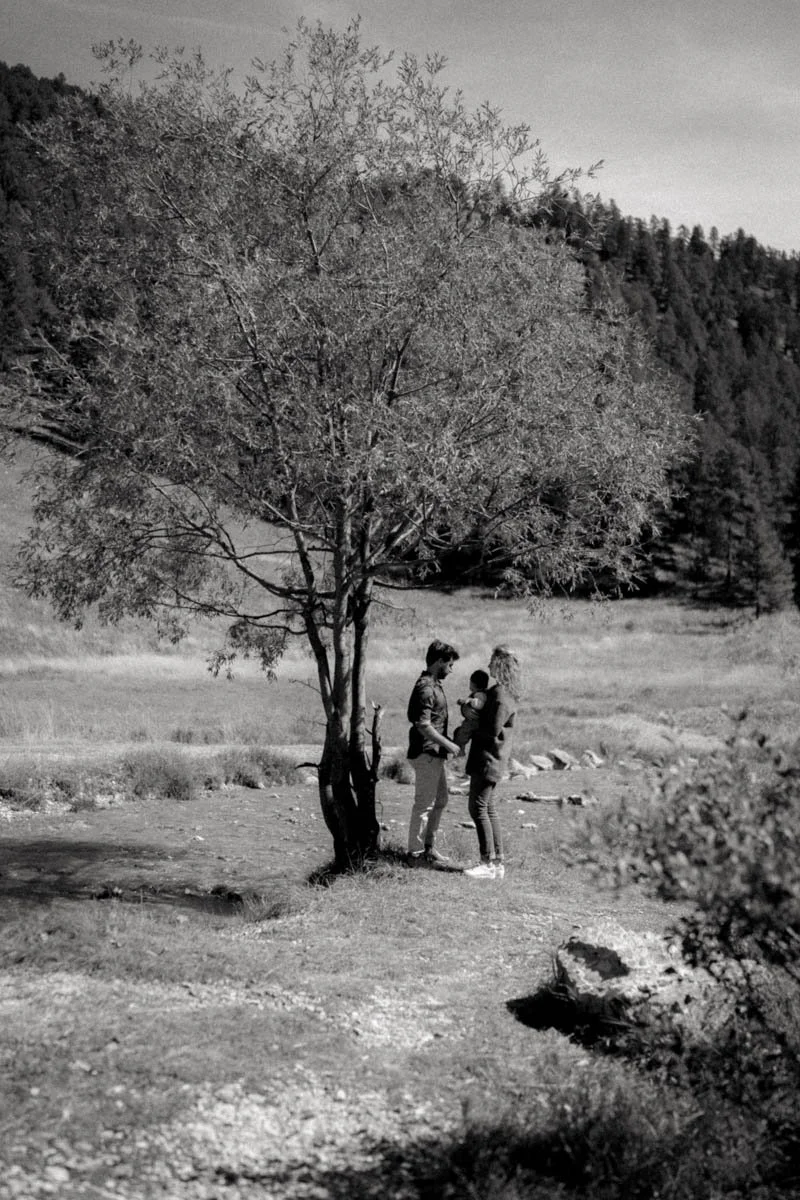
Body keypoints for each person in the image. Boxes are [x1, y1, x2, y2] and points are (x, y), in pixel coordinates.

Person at [463, 645, 521, 880]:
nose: (488, 666)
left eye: (492, 662)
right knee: (489, 808)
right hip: (495, 759)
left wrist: (470, 720)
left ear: (500, 665)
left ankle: (487, 862)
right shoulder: (507, 692)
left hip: (487, 758)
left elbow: (491, 729)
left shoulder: (499, 694)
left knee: (477, 807)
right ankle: (497, 862)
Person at [406, 639, 461, 863]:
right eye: (449, 664)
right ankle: (415, 853)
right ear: (439, 661)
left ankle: (428, 848)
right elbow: (423, 724)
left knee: (441, 800)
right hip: (426, 753)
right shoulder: (426, 687)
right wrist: (449, 745)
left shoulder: (433, 684)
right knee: (424, 804)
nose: (451, 669)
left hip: (434, 753)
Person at [452, 669, 490, 751]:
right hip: (471, 721)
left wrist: (468, 701)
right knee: (459, 732)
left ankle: (458, 750)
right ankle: (459, 748)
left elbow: (479, 705)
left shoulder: (480, 694)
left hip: (473, 722)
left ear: (473, 683)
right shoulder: (479, 693)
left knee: (462, 734)